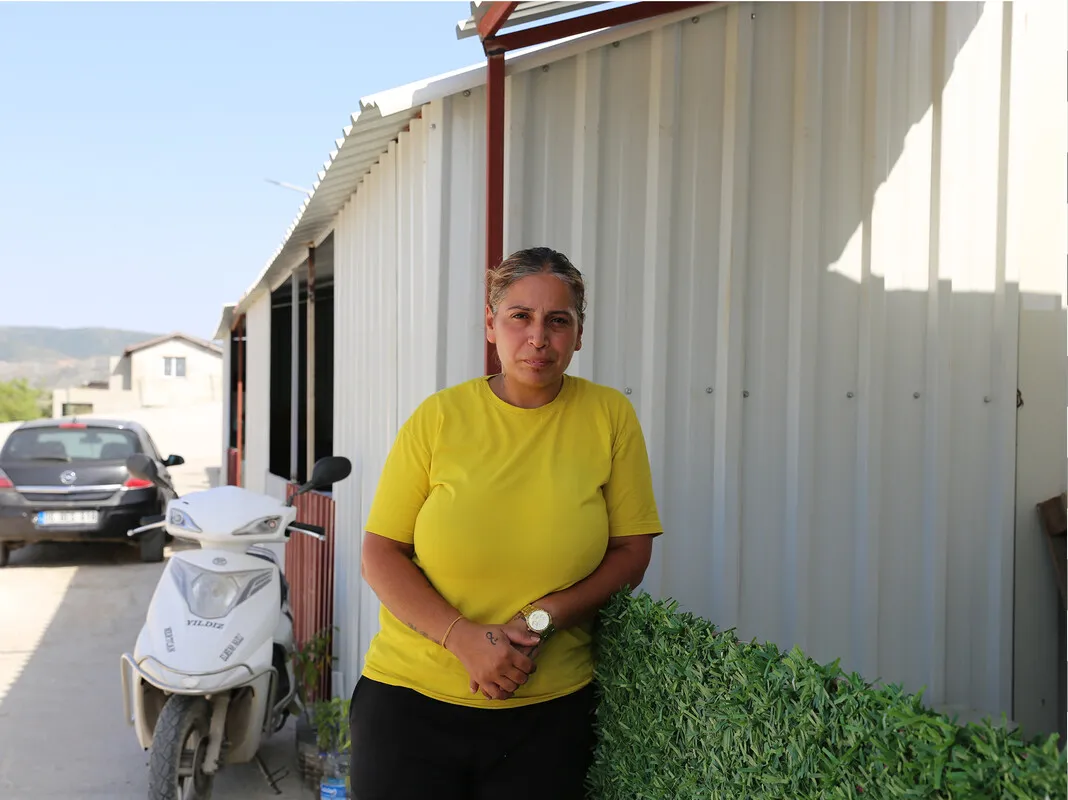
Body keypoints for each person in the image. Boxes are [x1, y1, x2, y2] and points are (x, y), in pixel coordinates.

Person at [349, 246, 663, 800]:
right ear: (491, 326)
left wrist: (546, 617)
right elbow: (380, 553)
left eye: (557, 321)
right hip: (410, 706)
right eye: (520, 316)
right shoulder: (439, 417)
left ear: (579, 335)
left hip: (547, 718)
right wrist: (463, 639)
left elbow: (631, 551)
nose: (538, 337)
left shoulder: (609, 416)